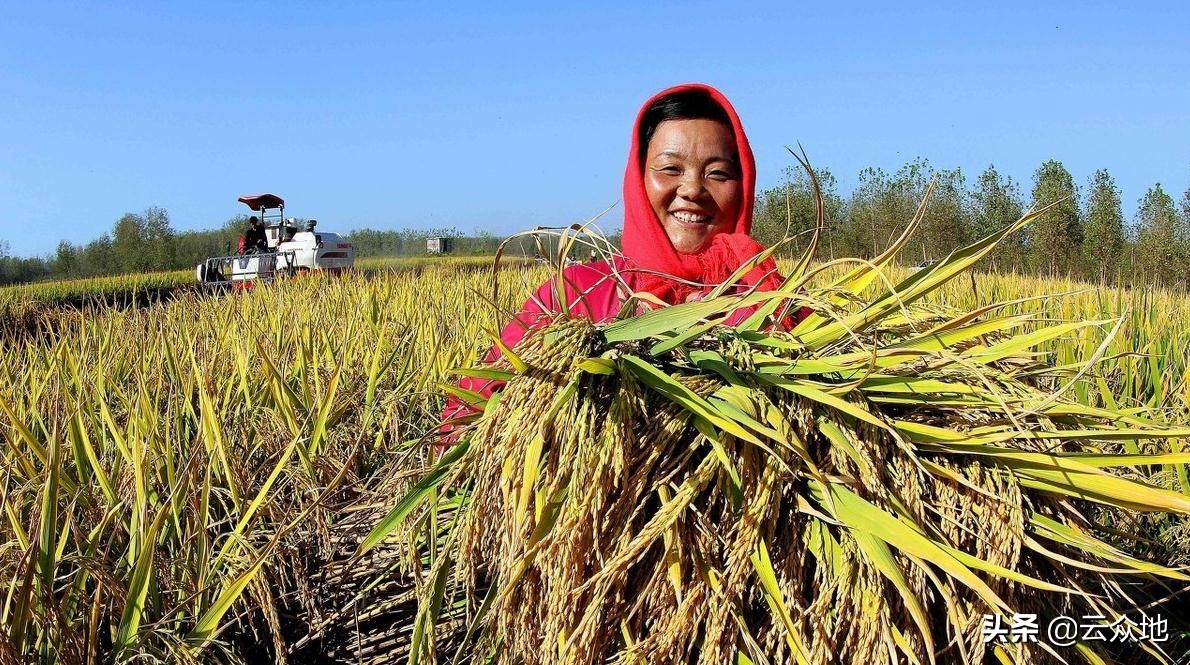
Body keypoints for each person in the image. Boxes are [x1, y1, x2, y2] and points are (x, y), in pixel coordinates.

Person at [439, 83, 811, 443]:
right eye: (670, 169)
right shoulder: (576, 293)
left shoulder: (778, 302)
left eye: (717, 173)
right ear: (638, 177)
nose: (694, 189)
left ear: (742, 186)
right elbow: (466, 416)